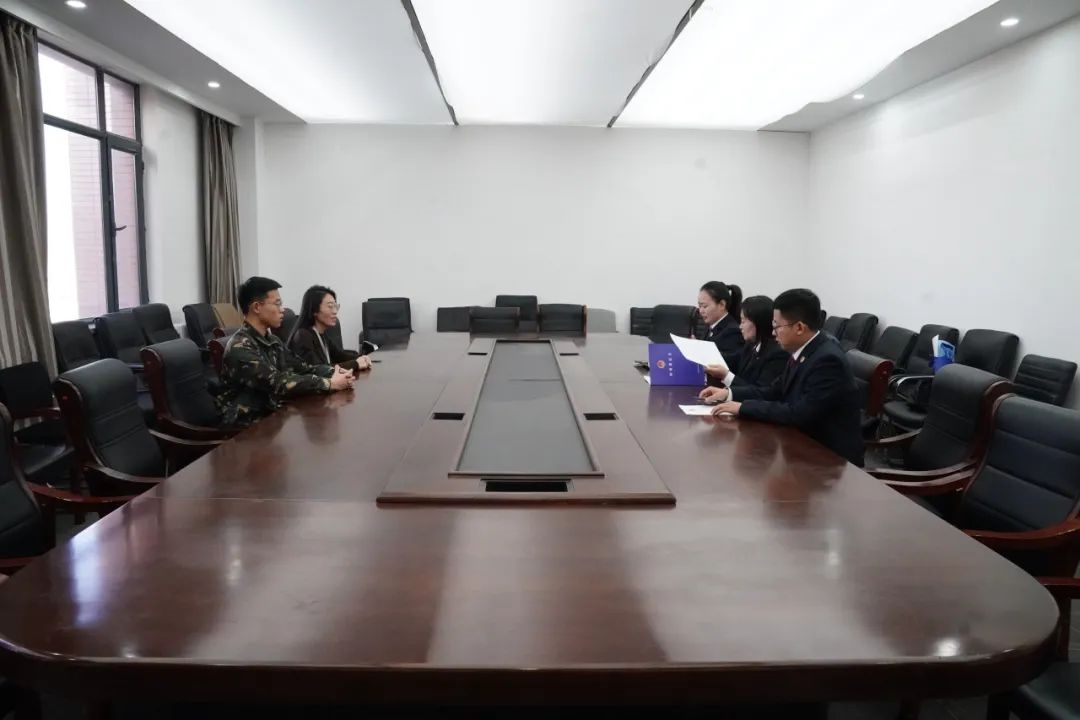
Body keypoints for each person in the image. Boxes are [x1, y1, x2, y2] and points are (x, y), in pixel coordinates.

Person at [699, 288, 864, 467]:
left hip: (830, 459)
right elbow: (773, 391)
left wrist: (743, 407)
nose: (772, 333)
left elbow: (799, 413)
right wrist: (729, 394)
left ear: (799, 327)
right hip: (800, 444)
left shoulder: (827, 360)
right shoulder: (805, 350)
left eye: (777, 326)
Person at [216, 276, 355, 428]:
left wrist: (335, 372)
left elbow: (303, 368)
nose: (282, 310)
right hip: (247, 428)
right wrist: (328, 383)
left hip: (274, 416)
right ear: (256, 307)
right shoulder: (240, 347)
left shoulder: (273, 340)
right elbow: (277, 382)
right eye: (277, 304)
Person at [702, 295, 788, 390]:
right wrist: (704, 354)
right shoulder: (751, 345)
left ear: (758, 322)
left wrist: (726, 376)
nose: (740, 327)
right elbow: (732, 359)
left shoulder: (777, 353)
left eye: (743, 321)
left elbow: (760, 391)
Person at [288, 285, 371, 373]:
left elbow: (339, 355)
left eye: (335, 306)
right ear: (314, 310)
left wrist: (362, 358)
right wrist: (355, 364)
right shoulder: (303, 336)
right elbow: (319, 370)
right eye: (330, 306)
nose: (335, 311)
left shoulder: (321, 333)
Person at [697, 281, 744, 368]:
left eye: (704, 306)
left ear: (722, 305)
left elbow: (727, 364)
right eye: (699, 306)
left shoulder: (733, 331)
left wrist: (699, 350)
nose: (701, 311)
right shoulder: (710, 325)